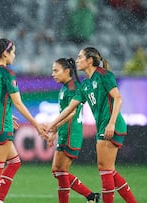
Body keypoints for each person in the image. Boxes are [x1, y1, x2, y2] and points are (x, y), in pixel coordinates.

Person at [46, 47, 137, 203]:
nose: (77, 60)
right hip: (103, 126)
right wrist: (51, 125)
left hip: (111, 125)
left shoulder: (104, 75)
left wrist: (112, 123)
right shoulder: (86, 84)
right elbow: (70, 108)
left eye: (80, 57)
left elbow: (118, 98)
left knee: (105, 169)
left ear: (89, 60)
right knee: (109, 170)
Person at [0, 38, 47, 203]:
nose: (14, 56)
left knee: (14, 162)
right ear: (5, 53)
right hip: (1, 125)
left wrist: (6, 113)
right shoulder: (7, 74)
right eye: (14, 52)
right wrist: (36, 123)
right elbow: (18, 102)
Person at [48, 57, 100, 203]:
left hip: (72, 134)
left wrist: (53, 127)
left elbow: (71, 113)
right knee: (57, 172)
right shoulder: (65, 87)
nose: (53, 74)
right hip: (65, 132)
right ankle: (91, 196)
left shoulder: (73, 88)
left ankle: (90, 196)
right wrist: (55, 132)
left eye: (56, 70)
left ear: (67, 71)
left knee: (61, 172)